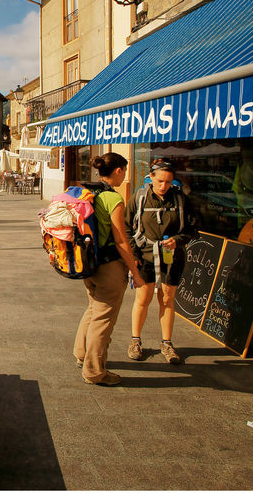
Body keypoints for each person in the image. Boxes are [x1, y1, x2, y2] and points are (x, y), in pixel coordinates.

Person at [73, 153, 148, 386]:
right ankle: (95, 371)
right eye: (124, 171)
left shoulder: (89, 193)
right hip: (109, 266)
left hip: (89, 264)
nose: (125, 176)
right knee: (103, 318)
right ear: (118, 171)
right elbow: (121, 239)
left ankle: (81, 354)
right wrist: (135, 272)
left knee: (93, 309)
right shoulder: (113, 199)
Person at [126, 158, 197, 364]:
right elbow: (126, 227)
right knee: (143, 298)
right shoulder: (139, 198)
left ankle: (166, 343)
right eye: (160, 181)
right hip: (145, 256)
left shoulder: (181, 200)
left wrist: (179, 240)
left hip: (172, 257)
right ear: (151, 178)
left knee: (167, 299)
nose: (164, 186)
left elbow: (192, 229)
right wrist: (134, 255)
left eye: (168, 182)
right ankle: (135, 340)